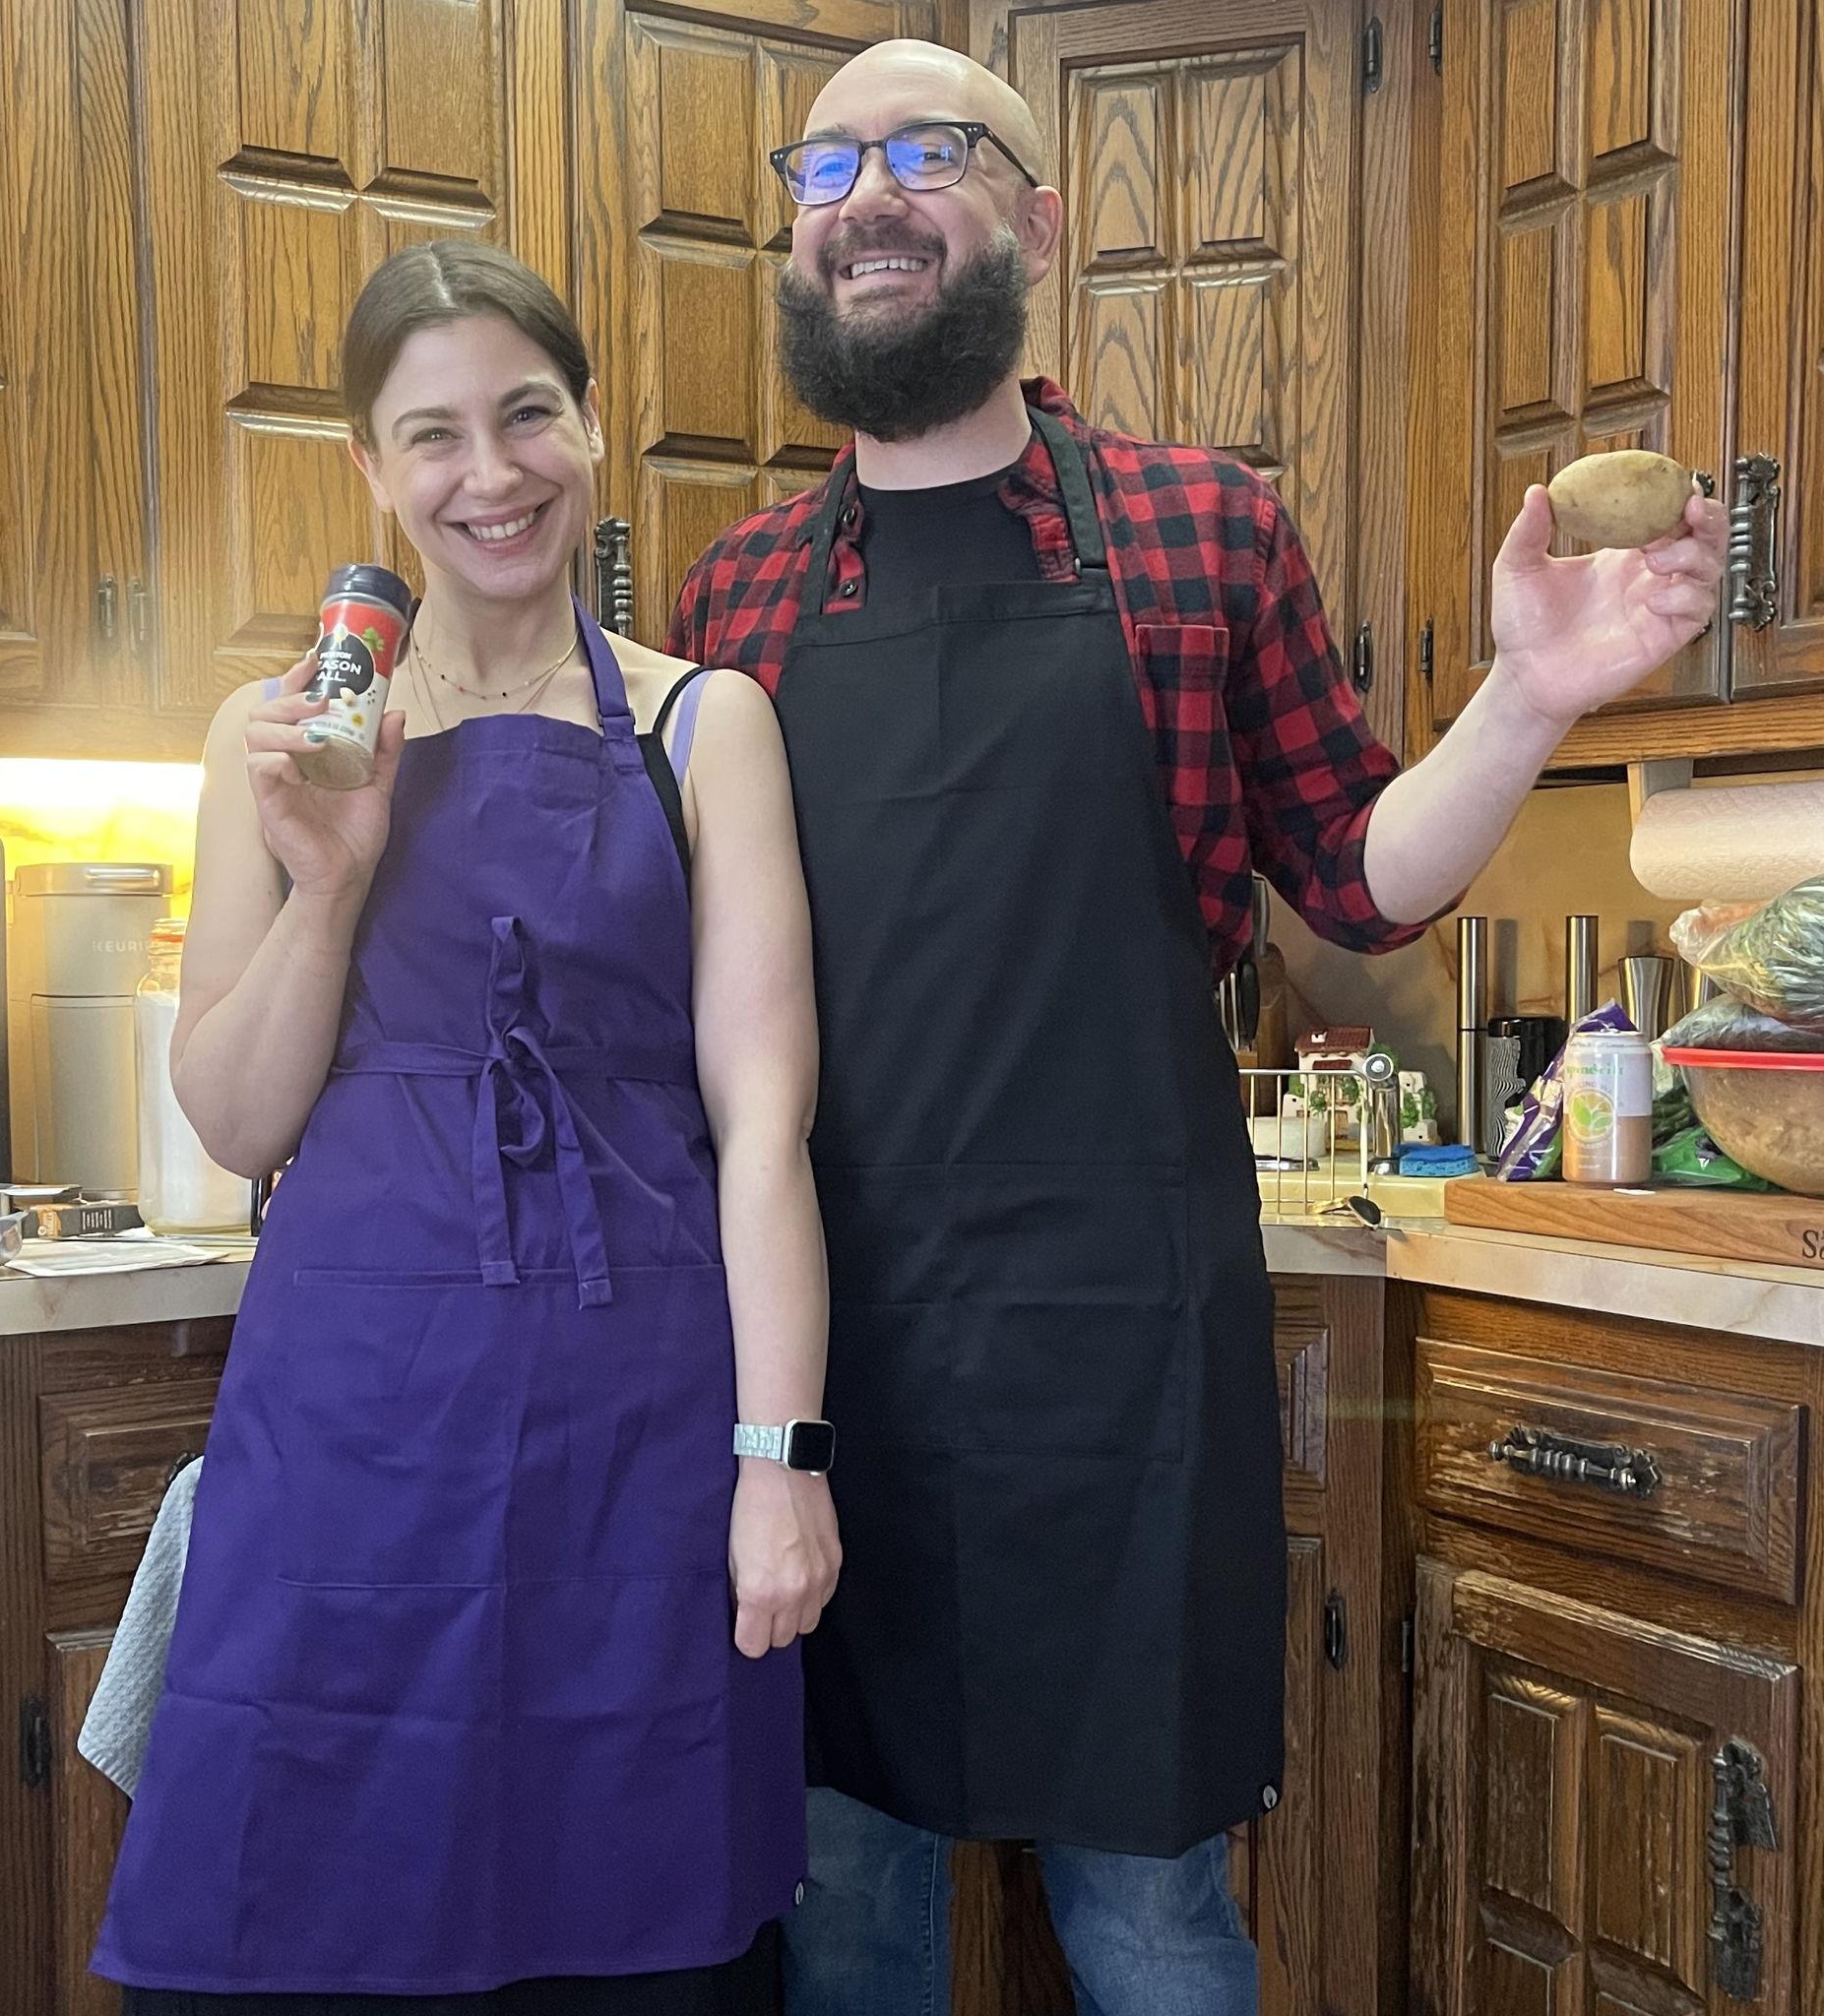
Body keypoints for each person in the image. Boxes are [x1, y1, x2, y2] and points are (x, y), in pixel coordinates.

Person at [668, 38, 1730, 2016]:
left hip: (1123, 1356)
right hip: (827, 1361)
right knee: (847, 1916)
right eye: (824, 165)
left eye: (924, 151)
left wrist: (1528, 698)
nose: (864, 196)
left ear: (1036, 221)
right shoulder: (738, 602)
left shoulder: (1200, 532)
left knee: (1153, 1921)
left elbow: (1358, 879)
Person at [93, 239, 841, 2014]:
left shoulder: (702, 724)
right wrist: (329, 879)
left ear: (588, 428)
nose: (488, 474)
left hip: (640, 1429)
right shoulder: (271, 737)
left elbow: (764, 1127)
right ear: (370, 465)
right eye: (432, 434)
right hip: (347, 1422)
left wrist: (780, 1464)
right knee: (297, 1898)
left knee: (633, 1919)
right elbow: (235, 1117)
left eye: (526, 415)